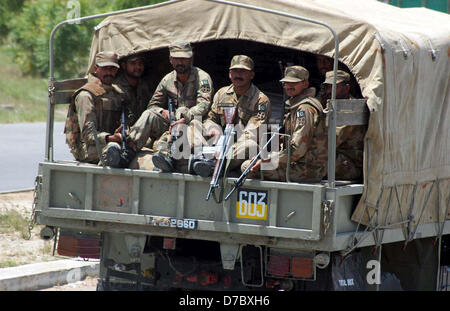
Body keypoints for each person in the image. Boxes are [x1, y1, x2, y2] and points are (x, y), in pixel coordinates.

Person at [109, 40, 214, 170]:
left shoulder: (202, 77)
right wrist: (162, 112)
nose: (180, 62)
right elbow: (152, 105)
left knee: (183, 112)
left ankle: (171, 155)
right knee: (149, 115)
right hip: (172, 123)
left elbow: (204, 104)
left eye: (184, 58)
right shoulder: (167, 80)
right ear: (171, 60)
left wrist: (185, 116)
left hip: (195, 124)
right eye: (177, 58)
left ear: (191, 58)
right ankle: (128, 152)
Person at [193, 55, 272, 177]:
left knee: (250, 145)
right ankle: (187, 159)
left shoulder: (261, 100)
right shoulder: (221, 93)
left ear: (252, 75)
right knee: (195, 124)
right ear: (230, 74)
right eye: (235, 71)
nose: (238, 75)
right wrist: (213, 129)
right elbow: (211, 118)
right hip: (220, 142)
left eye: (243, 71)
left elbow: (252, 132)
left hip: (240, 146)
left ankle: (214, 166)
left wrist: (226, 149)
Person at [249, 65, 328, 182]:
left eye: (294, 83)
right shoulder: (296, 106)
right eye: (286, 83)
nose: (289, 86)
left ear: (305, 84)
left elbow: (298, 148)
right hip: (300, 164)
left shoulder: (304, 109)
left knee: (248, 167)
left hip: (307, 169)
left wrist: (269, 160)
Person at [64, 51, 130, 165]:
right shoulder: (86, 95)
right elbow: (89, 135)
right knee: (113, 149)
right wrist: (110, 138)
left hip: (110, 141)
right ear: (96, 68)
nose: (109, 72)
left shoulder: (118, 93)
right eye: (105, 68)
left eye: (112, 69)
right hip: (86, 147)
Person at [323, 70, 365, 181]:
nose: (328, 91)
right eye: (327, 87)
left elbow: (332, 139)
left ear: (346, 88)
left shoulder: (352, 109)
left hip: (349, 164)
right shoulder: (334, 105)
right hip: (337, 159)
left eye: (333, 87)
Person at [115, 54, 152, 125]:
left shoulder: (146, 86)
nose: (138, 67)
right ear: (124, 65)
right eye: (133, 63)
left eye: (140, 63)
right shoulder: (116, 87)